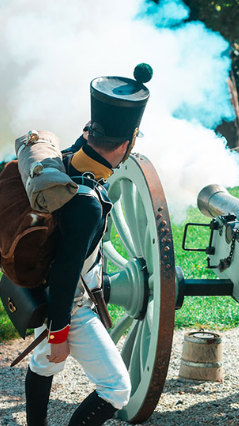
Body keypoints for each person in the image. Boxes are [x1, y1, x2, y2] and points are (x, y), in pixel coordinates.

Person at [25, 63, 153, 426]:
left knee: (44, 363)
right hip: (70, 303)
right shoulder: (88, 202)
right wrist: (59, 331)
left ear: (89, 132)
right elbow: (66, 273)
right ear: (126, 145)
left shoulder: (66, 160)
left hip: (45, 289)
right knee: (116, 388)